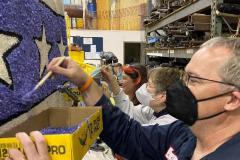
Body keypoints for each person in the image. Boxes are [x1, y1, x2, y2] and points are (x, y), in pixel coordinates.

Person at [8, 37, 240, 160]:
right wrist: (85, 82)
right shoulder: (183, 133)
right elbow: (130, 135)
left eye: (194, 80)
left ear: (232, 99)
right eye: (185, 76)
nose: (180, 87)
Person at [101, 66, 181, 125]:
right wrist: (112, 81)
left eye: (149, 85)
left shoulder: (164, 125)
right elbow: (130, 112)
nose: (144, 87)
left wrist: (105, 102)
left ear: (162, 96)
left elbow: (131, 134)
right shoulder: (153, 111)